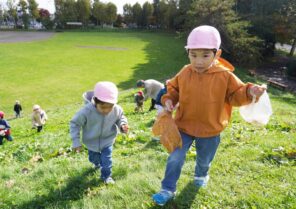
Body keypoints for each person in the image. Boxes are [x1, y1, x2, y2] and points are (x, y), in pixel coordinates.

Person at [152, 25, 266, 206]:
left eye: (205, 55)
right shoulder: (185, 71)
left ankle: (201, 174)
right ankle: (167, 189)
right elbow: (173, 89)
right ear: (188, 52)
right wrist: (168, 100)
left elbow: (237, 94)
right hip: (183, 126)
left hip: (211, 129)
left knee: (204, 160)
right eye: (193, 55)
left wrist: (251, 91)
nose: (198, 61)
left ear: (217, 54)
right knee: (175, 158)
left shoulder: (225, 76)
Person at [70, 81, 129, 184]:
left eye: (110, 107)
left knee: (107, 161)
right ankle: (96, 163)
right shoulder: (86, 112)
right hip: (91, 142)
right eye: (103, 107)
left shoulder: (116, 109)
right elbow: (75, 124)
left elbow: (120, 117)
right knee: (94, 159)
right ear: (95, 102)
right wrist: (76, 141)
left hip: (107, 140)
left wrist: (122, 125)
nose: (106, 111)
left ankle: (106, 177)